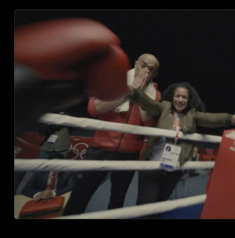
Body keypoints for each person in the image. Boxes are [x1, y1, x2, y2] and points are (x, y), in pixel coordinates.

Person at [128, 81, 235, 218]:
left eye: (184, 97)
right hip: (153, 166)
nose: (180, 100)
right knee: (146, 205)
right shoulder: (164, 108)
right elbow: (148, 103)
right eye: (177, 96)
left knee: (160, 204)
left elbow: (212, 119)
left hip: (173, 170)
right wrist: (131, 92)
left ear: (189, 100)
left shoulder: (192, 115)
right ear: (172, 97)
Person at [63, 53, 161, 215]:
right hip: (100, 150)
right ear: (135, 63)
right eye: (144, 65)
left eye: (152, 69)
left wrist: (139, 95)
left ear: (155, 74)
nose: (147, 72)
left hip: (129, 155)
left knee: (117, 200)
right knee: (79, 195)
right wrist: (130, 89)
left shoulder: (154, 94)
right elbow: (94, 109)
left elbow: (148, 122)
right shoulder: (112, 81)